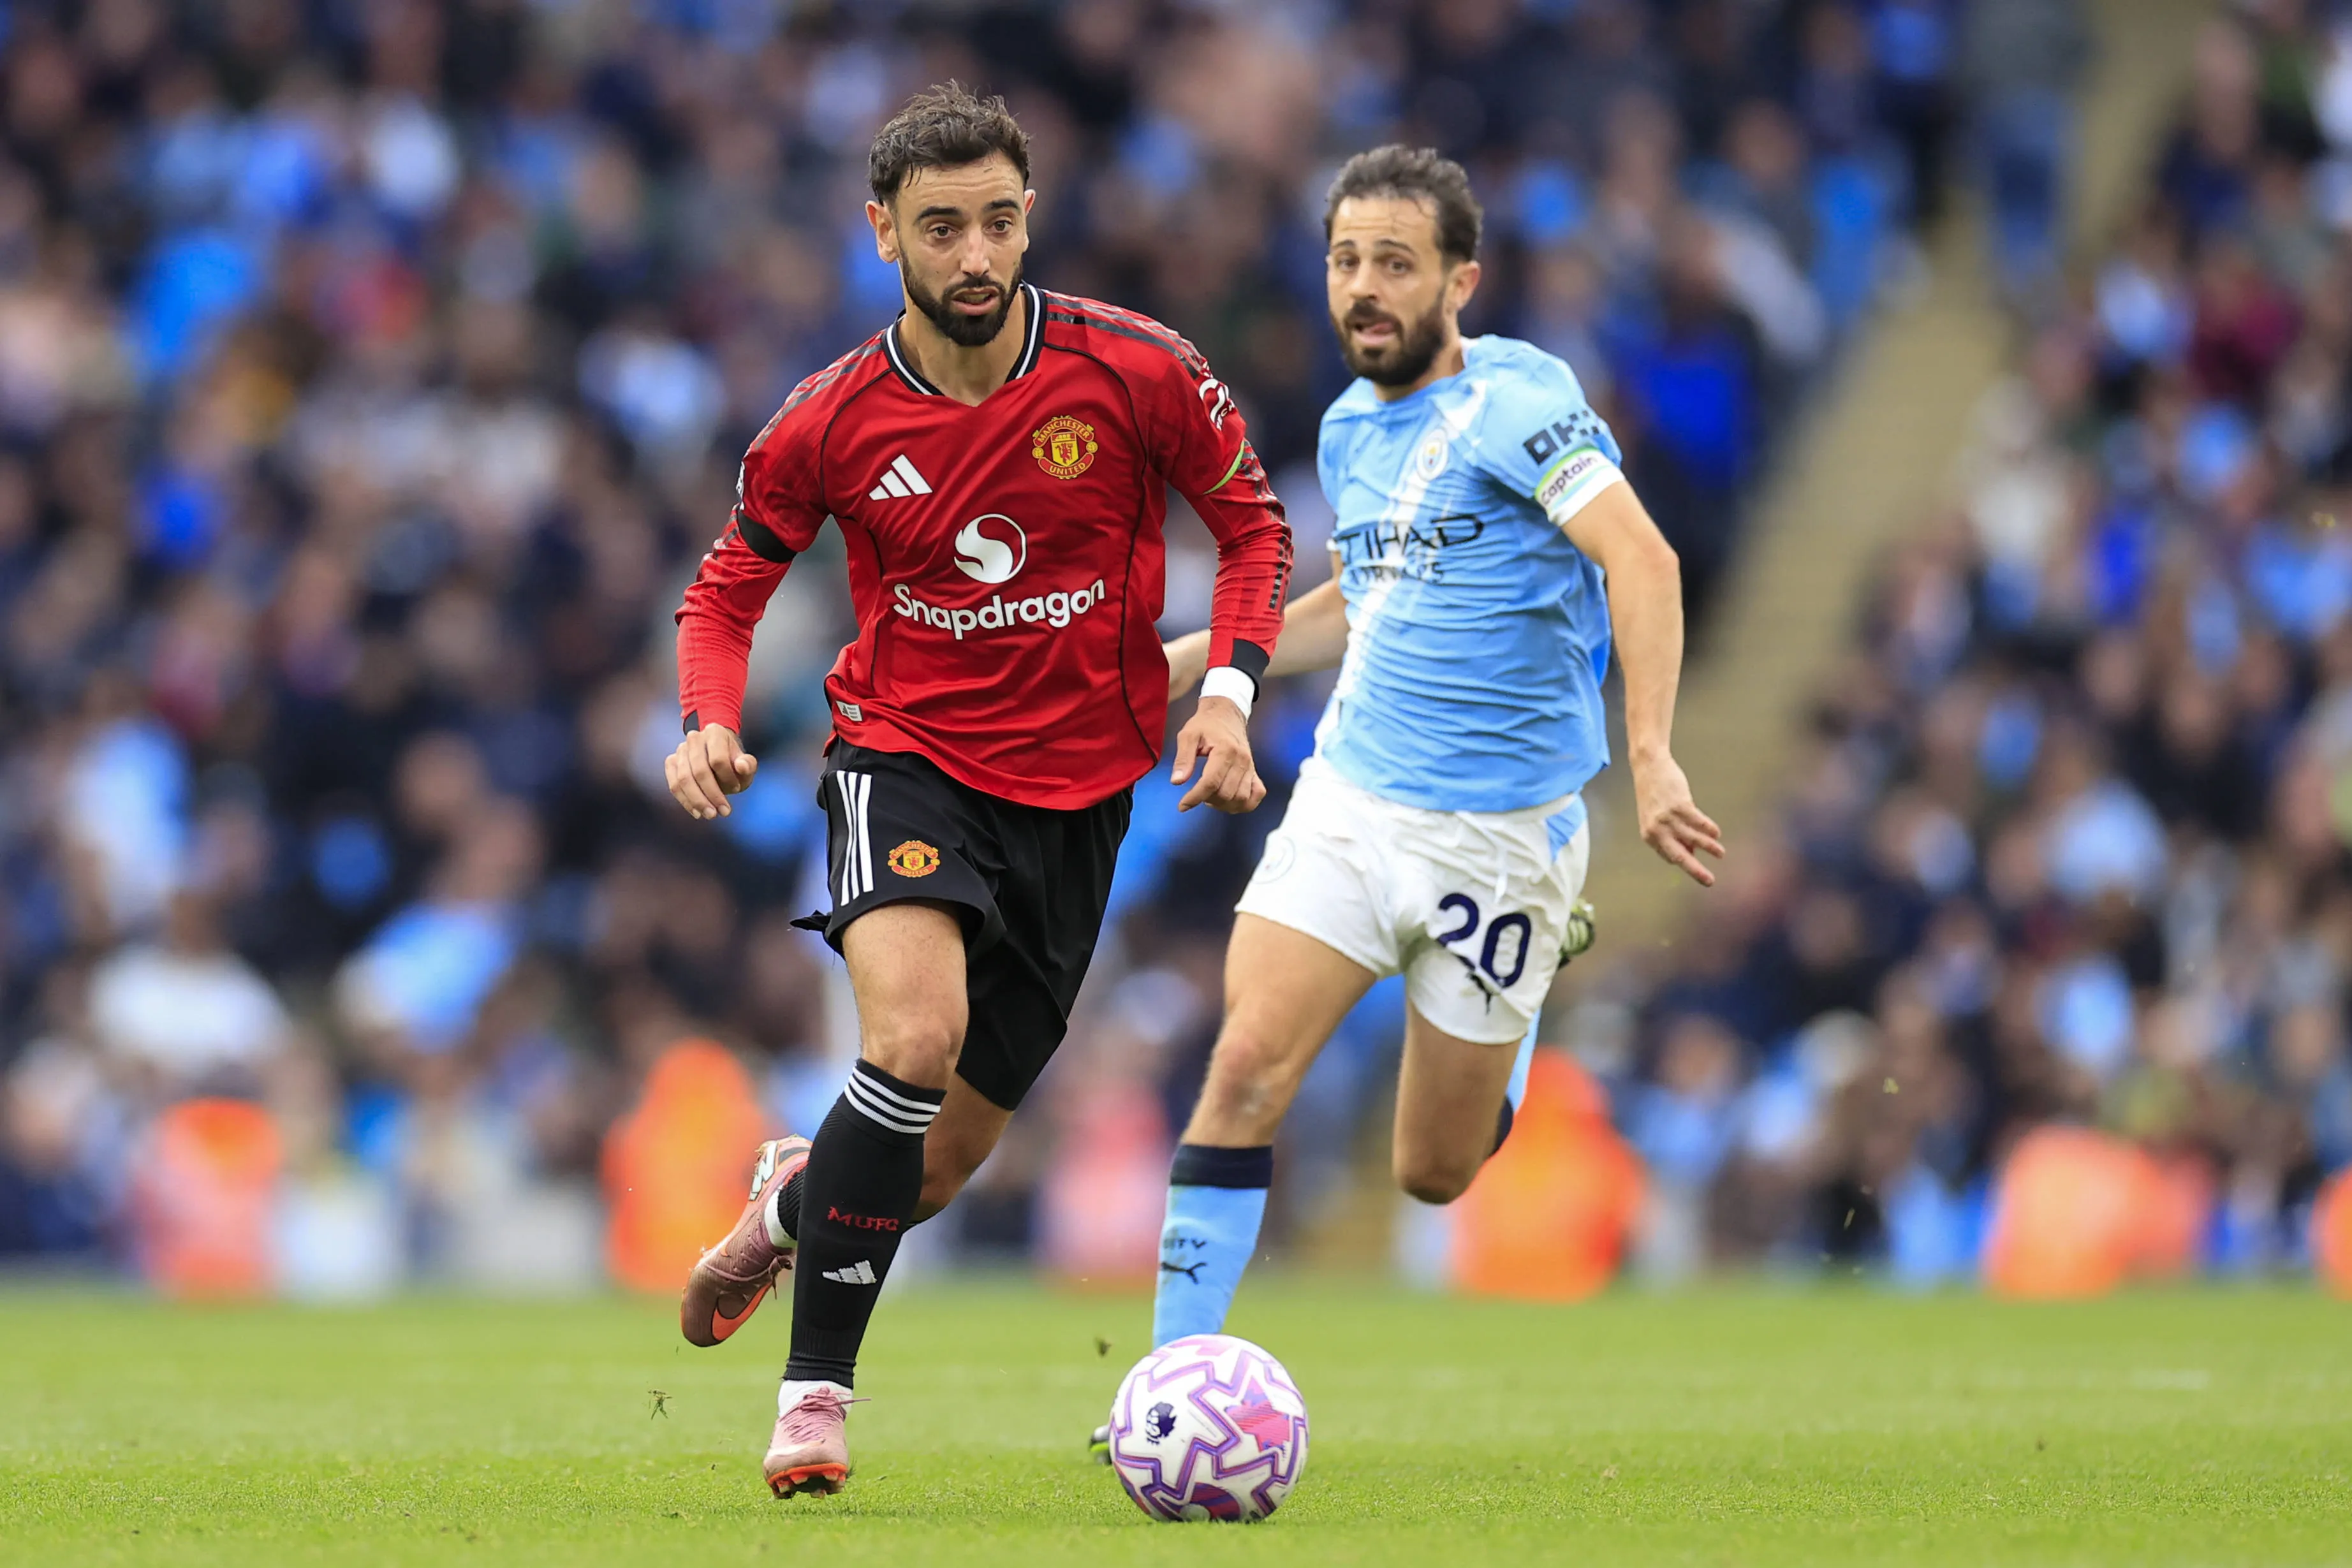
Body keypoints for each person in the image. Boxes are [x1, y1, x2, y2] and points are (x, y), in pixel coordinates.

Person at [663, 84, 1292, 1498]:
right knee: (912, 1034)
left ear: (1028, 220)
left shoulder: (1133, 370)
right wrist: (705, 719)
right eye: (940, 228)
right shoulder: (828, 419)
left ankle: (785, 1201)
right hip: (904, 757)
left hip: (1079, 802)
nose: (974, 257)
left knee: (929, 1171)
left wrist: (1233, 695)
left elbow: (1250, 526)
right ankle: (815, 1399)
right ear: (881, 230)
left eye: (998, 222)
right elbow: (724, 590)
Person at [1103, 145, 1722, 1446]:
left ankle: (1517, 1017)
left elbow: (1642, 560)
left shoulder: (1515, 399)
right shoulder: (1344, 427)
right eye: (1344, 260)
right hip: (1350, 800)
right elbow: (1354, 605)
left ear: (1458, 278)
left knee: (1430, 1172)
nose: (1364, 287)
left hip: (1499, 842)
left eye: (1394, 262)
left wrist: (1653, 752)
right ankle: (1161, 1393)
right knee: (1244, 1065)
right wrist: (1168, 670)